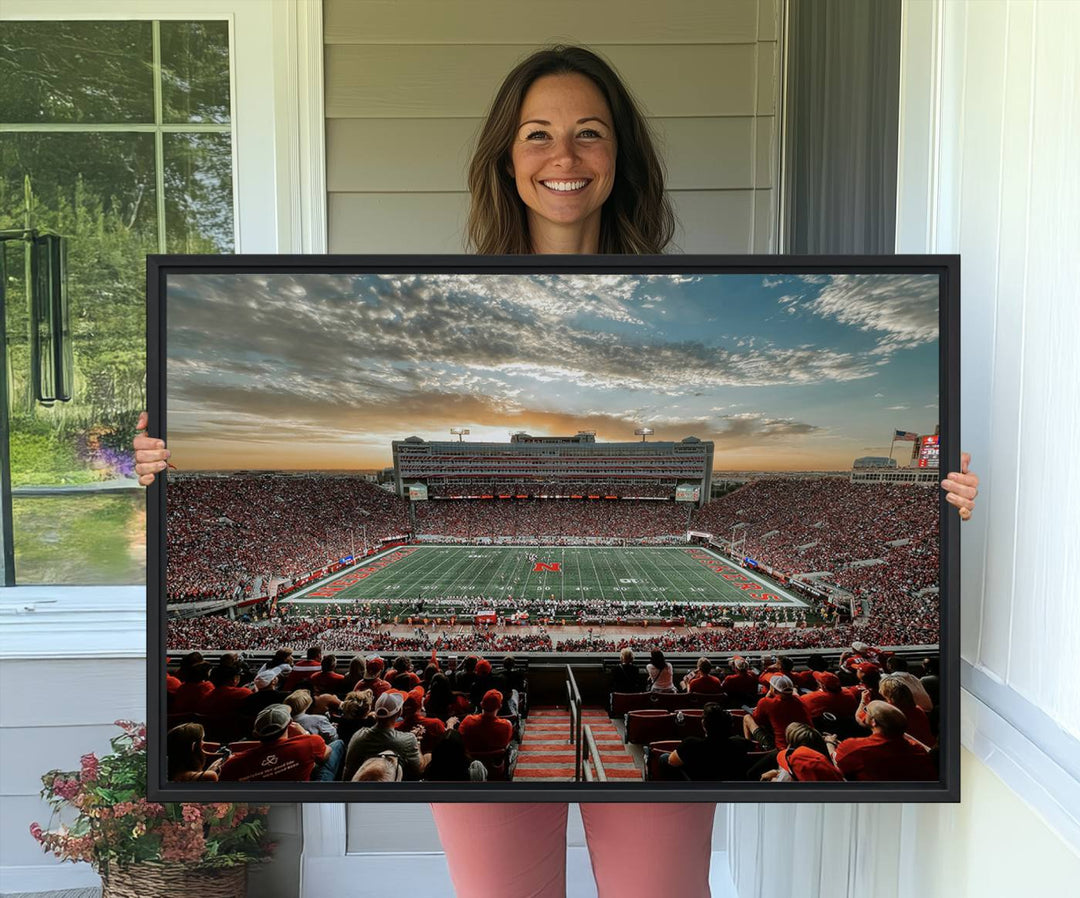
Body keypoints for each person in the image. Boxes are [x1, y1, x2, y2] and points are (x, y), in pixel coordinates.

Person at [136, 42, 980, 898]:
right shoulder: (450, 296)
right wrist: (162, 469)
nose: (564, 157)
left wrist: (940, 506)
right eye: (537, 134)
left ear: (622, 157)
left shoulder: (683, 289)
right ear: (506, 157)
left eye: (590, 133)